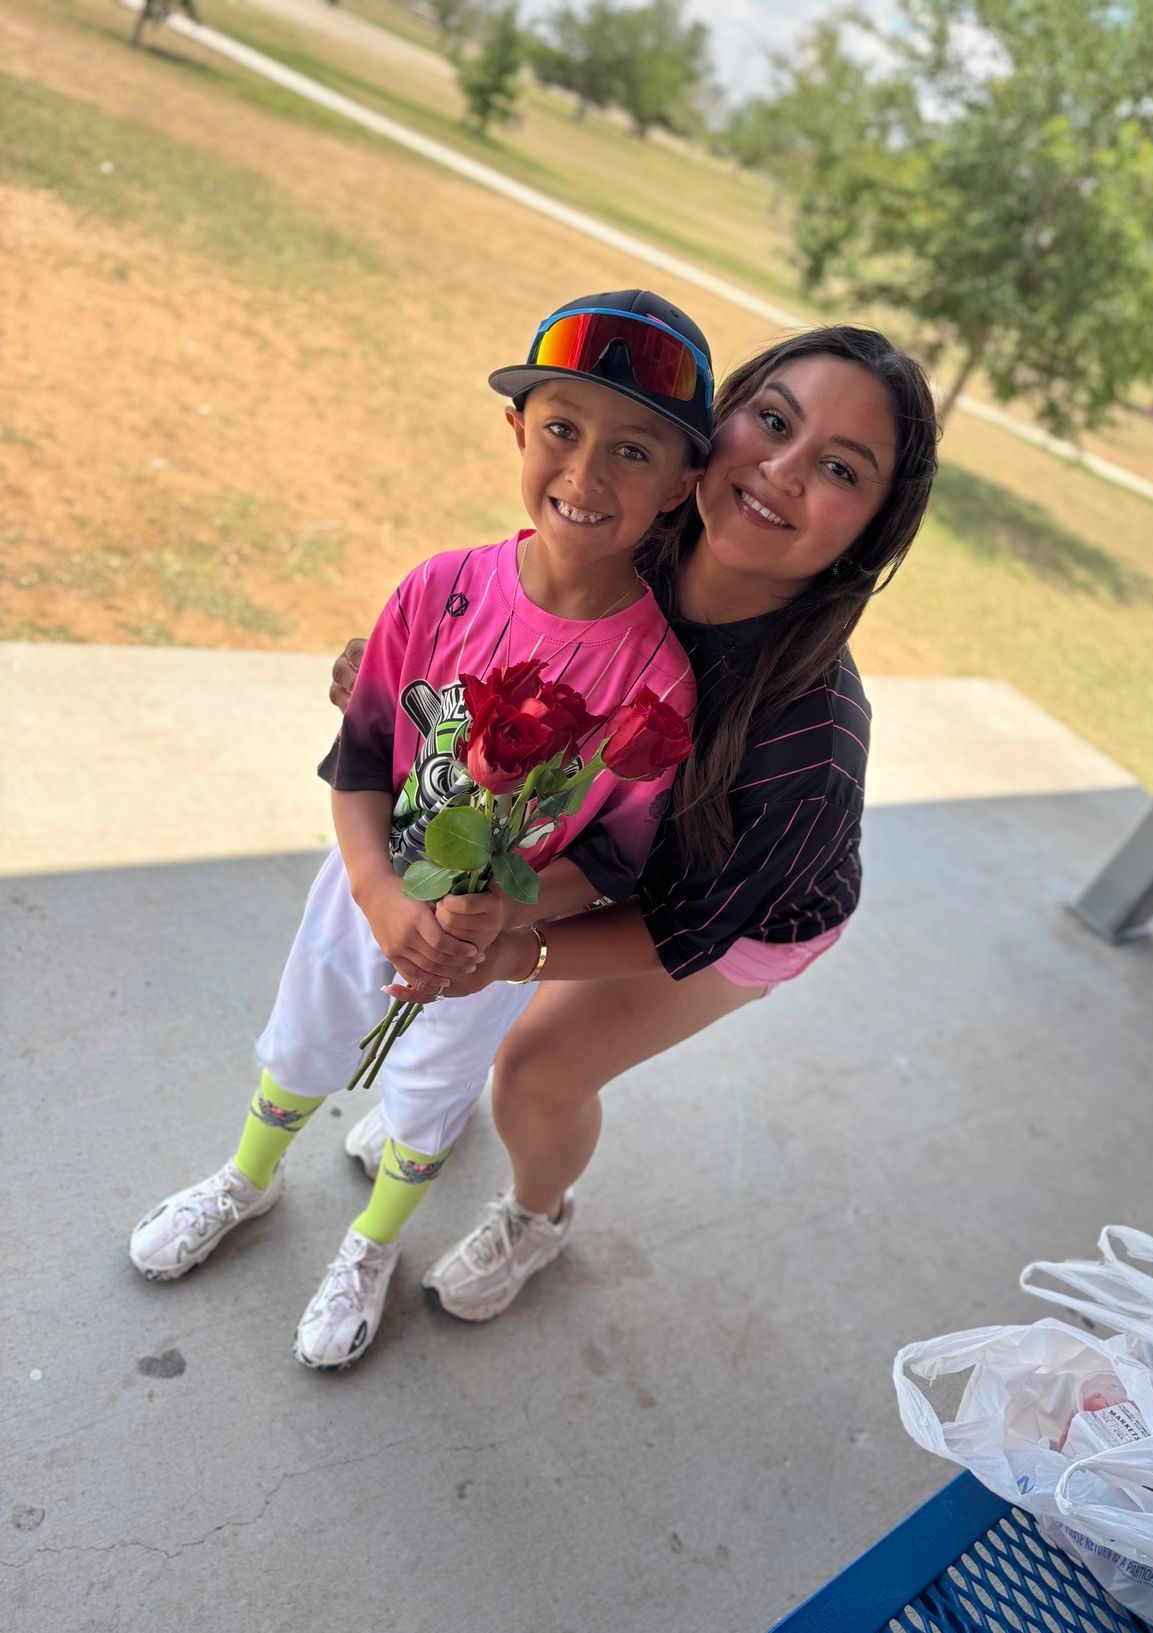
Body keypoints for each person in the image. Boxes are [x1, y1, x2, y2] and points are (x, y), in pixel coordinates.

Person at [128, 289, 713, 1370]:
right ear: (517, 429)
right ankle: (248, 1178)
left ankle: (372, 1241)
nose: (586, 475)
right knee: (307, 1033)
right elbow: (359, 760)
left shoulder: (656, 679)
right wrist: (377, 891)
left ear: (683, 482)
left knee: (432, 1088)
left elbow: (611, 857)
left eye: (634, 451)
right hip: (367, 886)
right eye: (562, 429)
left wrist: (503, 918)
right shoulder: (439, 590)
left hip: (485, 948)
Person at [334, 323, 939, 1323]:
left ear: (872, 527)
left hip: (728, 912)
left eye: (839, 467)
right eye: (773, 421)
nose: (783, 470)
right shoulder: (627, 535)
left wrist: (520, 952)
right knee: (468, 970)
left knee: (535, 1067)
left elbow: (683, 924)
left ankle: (536, 1215)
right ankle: (436, 1098)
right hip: (598, 839)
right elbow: (497, 637)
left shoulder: (810, 742)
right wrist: (400, 682)